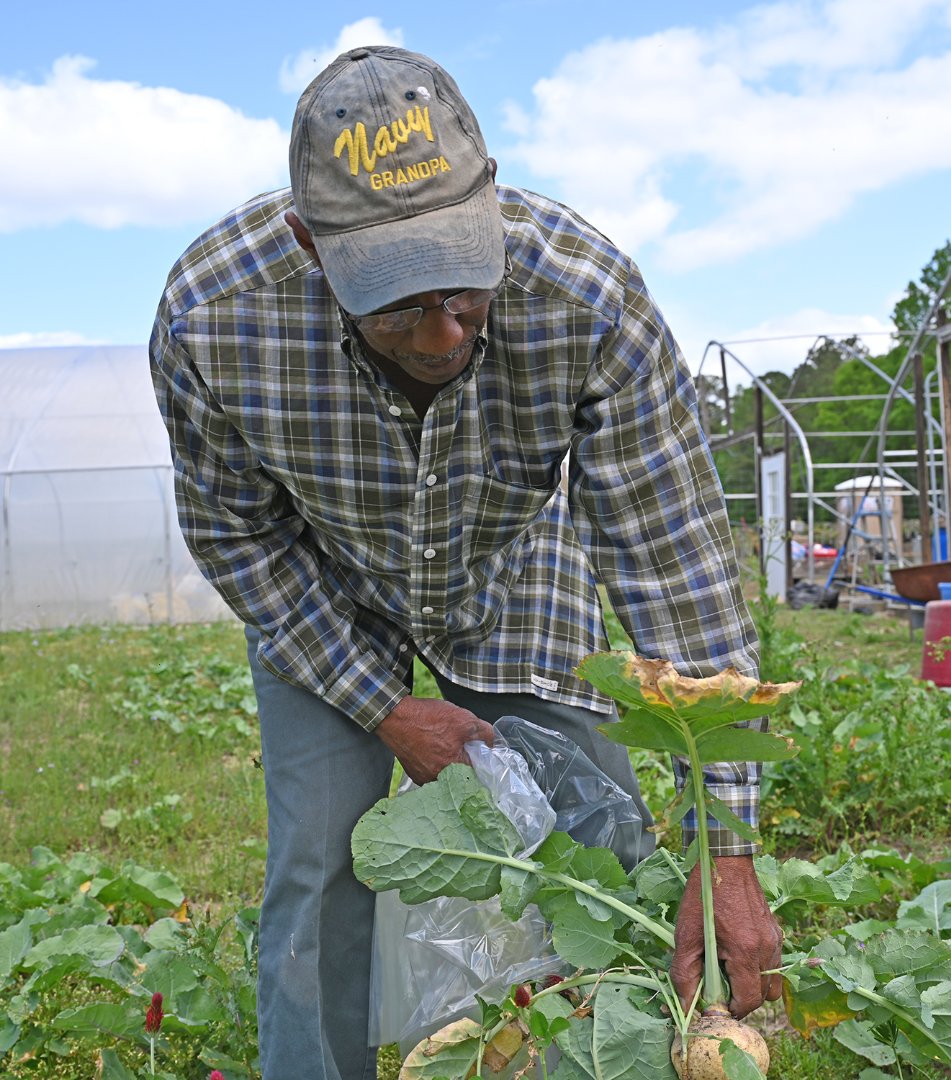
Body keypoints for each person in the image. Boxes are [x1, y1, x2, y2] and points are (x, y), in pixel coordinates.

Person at [150, 45, 782, 1080]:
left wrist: (729, 848)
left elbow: (679, 570)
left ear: (492, 197)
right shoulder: (213, 318)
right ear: (310, 245)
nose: (444, 332)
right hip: (324, 585)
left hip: (508, 566)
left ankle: (587, 1054)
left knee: (595, 842)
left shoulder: (587, 297)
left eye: (465, 287)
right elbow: (237, 534)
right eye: (399, 302)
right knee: (319, 860)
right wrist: (381, 707)